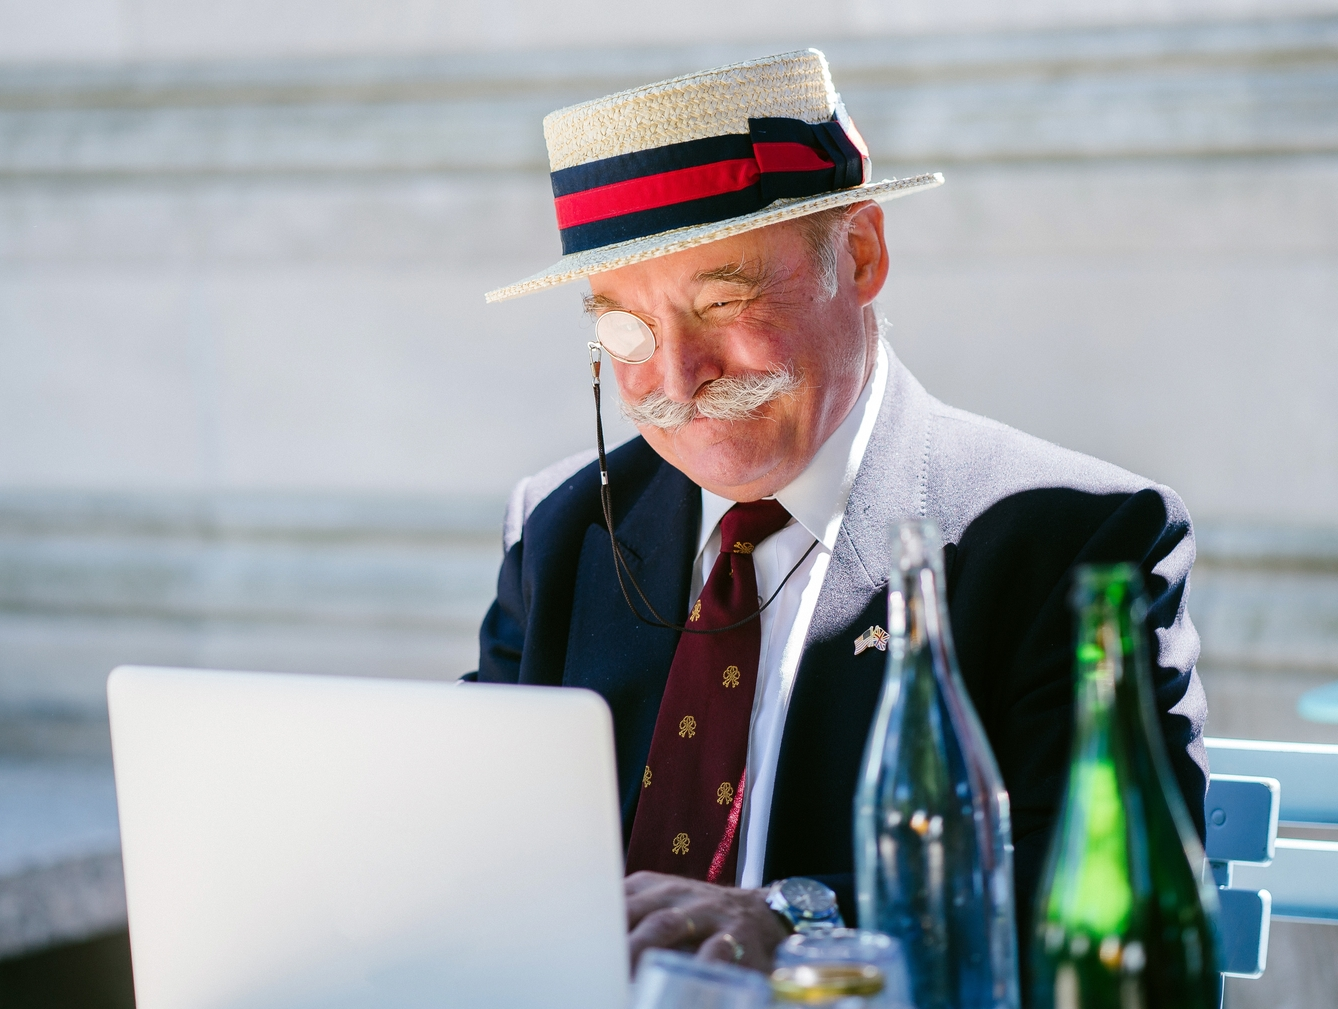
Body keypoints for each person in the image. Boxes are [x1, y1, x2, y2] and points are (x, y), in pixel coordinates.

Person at [468, 50, 1207, 973]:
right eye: (625, 329)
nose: (676, 379)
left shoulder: (1072, 540)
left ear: (859, 254)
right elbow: (469, 836)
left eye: (722, 300)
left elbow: (1108, 905)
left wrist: (798, 923)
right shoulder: (561, 528)